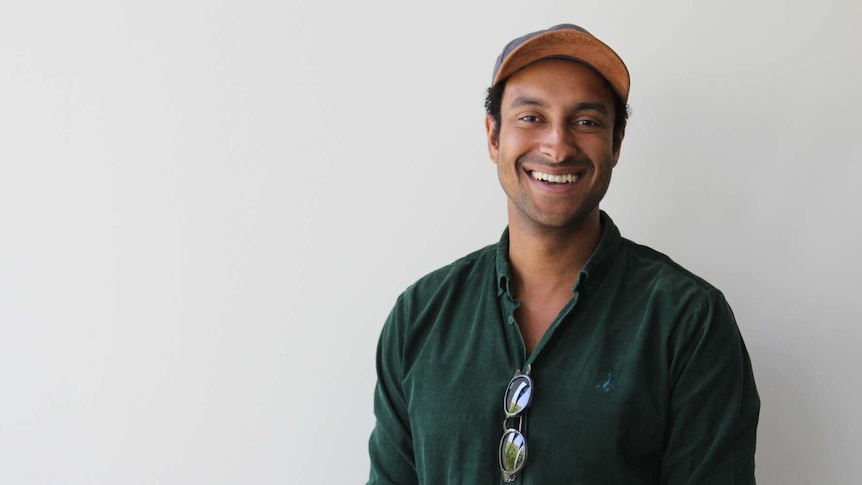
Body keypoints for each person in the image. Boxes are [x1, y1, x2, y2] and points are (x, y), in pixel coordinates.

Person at [367, 24, 759, 484]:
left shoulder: (688, 319)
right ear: (494, 136)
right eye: (531, 117)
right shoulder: (420, 315)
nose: (557, 145)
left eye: (587, 121)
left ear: (616, 143)